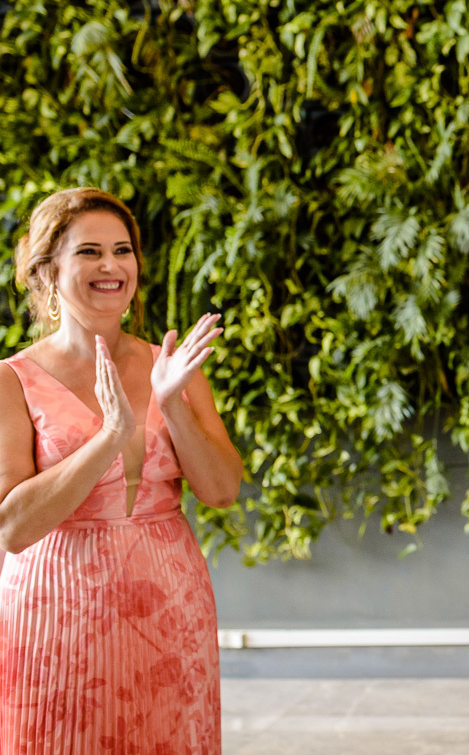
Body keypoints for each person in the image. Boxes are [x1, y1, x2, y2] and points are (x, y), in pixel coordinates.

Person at [0, 187, 243, 754]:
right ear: (47, 271)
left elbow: (221, 490)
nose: (111, 265)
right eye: (89, 252)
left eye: (122, 250)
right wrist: (110, 434)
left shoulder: (172, 367)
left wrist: (173, 403)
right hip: (55, 609)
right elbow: (12, 527)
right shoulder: (12, 380)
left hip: (169, 604)